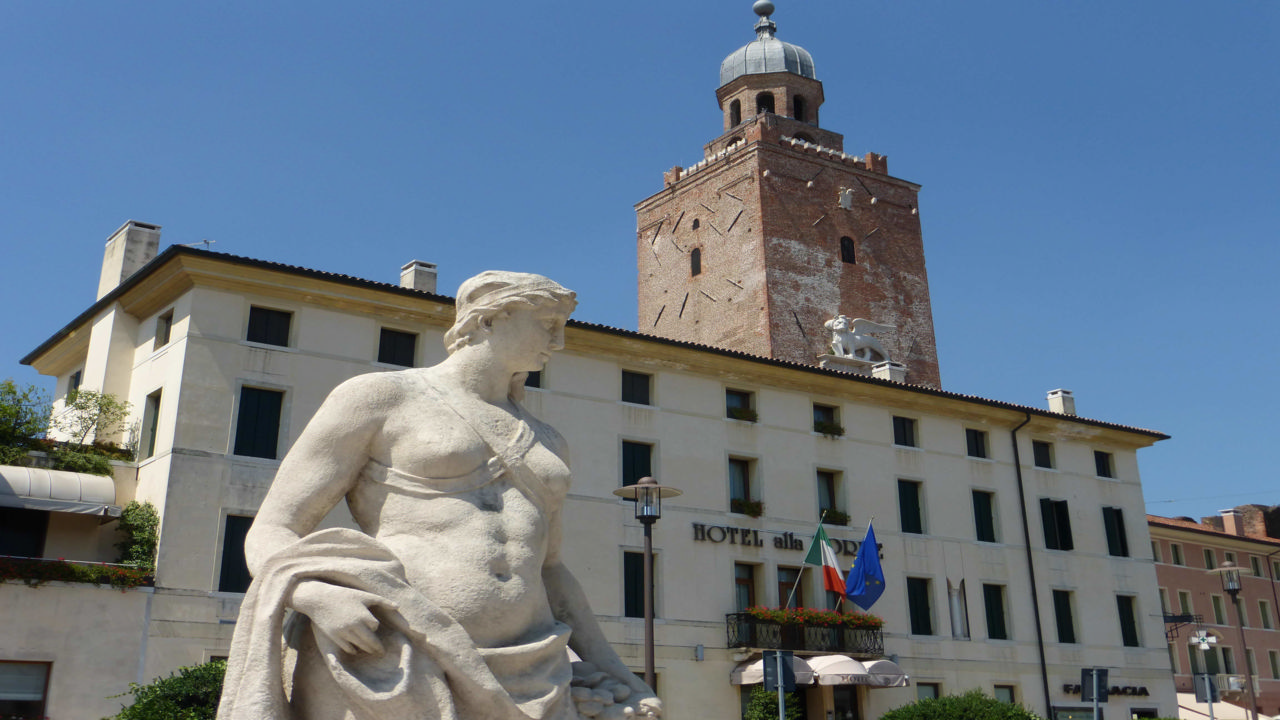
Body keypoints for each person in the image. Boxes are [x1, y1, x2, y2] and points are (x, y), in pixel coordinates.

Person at [218, 271, 661, 720]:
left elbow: (551, 569)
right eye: (548, 322)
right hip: (393, 651)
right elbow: (274, 529)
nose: (559, 341)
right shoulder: (381, 397)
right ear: (489, 319)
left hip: (535, 667)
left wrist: (617, 672)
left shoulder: (547, 440)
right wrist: (313, 594)